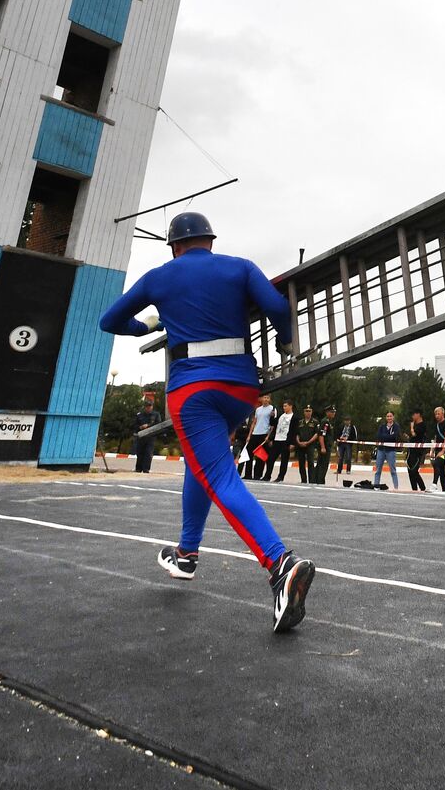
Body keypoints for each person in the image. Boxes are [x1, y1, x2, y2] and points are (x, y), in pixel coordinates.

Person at [99, 211, 314, 633]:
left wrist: (147, 323)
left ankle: (280, 565)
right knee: (202, 466)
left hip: (193, 390)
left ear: (175, 245)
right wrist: (285, 339)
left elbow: (108, 321)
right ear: (209, 241)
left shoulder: (160, 276)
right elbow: (275, 305)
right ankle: (186, 554)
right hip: (240, 390)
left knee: (218, 476)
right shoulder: (240, 267)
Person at [244, 394, 275, 479]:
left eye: (267, 398)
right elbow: (254, 422)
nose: (265, 399)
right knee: (249, 452)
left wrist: (268, 436)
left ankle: (257, 475)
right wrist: (249, 435)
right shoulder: (258, 409)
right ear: (261, 399)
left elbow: (272, 424)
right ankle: (248, 474)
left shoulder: (272, 409)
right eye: (264, 397)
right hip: (255, 433)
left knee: (260, 455)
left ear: (269, 400)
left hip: (264, 433)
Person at [265, 400, 297, 483]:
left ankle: (280, 476)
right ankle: (267, 475)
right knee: (270, 459)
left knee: (284, 460)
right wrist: (272, 416)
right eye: (283, 406)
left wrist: (292, 443)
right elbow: (274, 425)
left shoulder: (294, 417)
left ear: (290, 406)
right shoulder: (281, 416)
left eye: (286, 406)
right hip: (277, 440)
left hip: (285, 441)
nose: (284, 408)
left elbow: (294, 431)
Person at [133, 392, 161, 473]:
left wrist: (148, 425)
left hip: (151, 437)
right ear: (145, 407)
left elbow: (158, 424)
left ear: (152, 407)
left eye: (150, 406)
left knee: (148, 453)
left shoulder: (156, 415)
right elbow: (134, 425)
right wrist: (140, 427)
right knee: (140, 453)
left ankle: (146, 469)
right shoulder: (140, 415)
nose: (148, 408)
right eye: (147, 406)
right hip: (141, 437)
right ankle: (138, 468)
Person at [371, 412, 400, 489]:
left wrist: (386, 437)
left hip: (391, 451)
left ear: (393, 417)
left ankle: (396, 487)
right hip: (381, 450)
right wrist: (388, 437)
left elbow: (395, 437)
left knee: (393, 470)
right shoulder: (382, 426)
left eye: (390, 416)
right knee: (378, 470)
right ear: (386, 417)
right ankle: (376, 485)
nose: (389, 418)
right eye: (387, 416)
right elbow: (379, 436)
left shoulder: (396, 426)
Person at [295, 406, 322, 485]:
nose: (308, 412)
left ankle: (311, 480)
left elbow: (317, 434)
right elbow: (297, 434)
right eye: (306, 411)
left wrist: (308, 442)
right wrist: (299, 442)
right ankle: (303, 480)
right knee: (301, 463)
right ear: (304, 412)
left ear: (312, 412)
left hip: (310, 445)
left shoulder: (315, 422)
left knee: (310, 463)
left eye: (309, 411)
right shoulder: (300, 422)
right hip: (301, 445)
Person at [313, 406, 336, 483]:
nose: (333, 414)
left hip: (327, 446)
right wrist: (323, 447)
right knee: (323, 464)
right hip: (325, 446)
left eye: (334, 412)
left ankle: (318, 479)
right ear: (327, 412)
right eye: (332, 412)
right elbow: (321, 435)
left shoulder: (329, 422)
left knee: (322, 464)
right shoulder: (325, 422)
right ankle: (319, 480)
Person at [406, 409, 428, 491]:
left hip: (418, 452)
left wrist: (412, 427)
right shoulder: (416, 425)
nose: (412, 416)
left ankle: (422, 487)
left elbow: (414, 434)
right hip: (411, 451)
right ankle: (414, 489)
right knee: (409, 470)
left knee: (414, 471)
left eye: (413, 414)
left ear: (418, 414)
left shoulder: (422, 425)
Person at [431, 406, 445, 492]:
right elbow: (436, 438)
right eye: (435, 414)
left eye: (438, 413)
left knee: (437, 463)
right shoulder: (436, 425)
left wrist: (443, 451)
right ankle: (444, 490)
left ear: (443, 414)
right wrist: (432, 450)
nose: (437, 416)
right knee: (441, 469)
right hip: (437, 448)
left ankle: (434, 484)